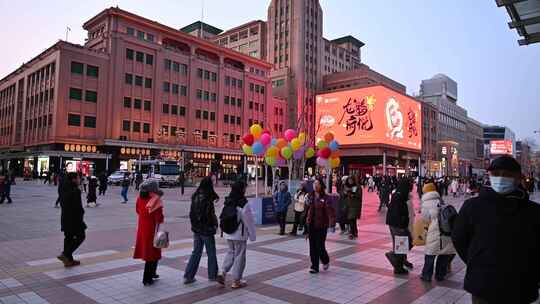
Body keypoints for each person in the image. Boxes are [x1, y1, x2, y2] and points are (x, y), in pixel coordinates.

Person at [452, 156, 540, 304]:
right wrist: (477, 261)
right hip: (483, 285)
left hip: (520, 286)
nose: (500, 178)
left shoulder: (534, 212)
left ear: (518, 179)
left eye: (507, 174)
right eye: (496, 174)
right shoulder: (472, 207)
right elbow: (459, 238)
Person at [216, 181, 256, 289]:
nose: (245, 190)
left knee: (231, 253)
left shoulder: (228, 200)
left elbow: (222, 215)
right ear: (241, 189)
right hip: (239, 234)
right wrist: (252, 236)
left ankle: (222, 272)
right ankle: (236, 281)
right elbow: (249, 221)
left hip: (229, 233)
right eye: (244, 188)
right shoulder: (243, 203)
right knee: (239, 257)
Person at [183, 177, 220, 284]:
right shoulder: (207, 198)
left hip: (196, 229)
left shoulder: (195, 196)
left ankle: (188, 276)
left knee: (196, 252)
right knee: (211, 252)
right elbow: (210, 215)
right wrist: (214, 225)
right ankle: (212, 275)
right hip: (206, 229)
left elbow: (192, 213)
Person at [419, 183, 455, 282]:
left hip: (434, 232)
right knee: (443, 254)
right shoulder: (441, 200)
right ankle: (440, 275)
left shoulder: (425, 204)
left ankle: (426, 275)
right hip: (446, 233)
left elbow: (425, 220)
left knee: (430, 255)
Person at [133, 180, 165, 286]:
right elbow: (159, 218)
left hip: (142, 228)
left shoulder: (140, 197)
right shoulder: (155, 200)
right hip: (152, 229)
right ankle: (147, 278)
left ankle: (152, 273)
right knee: (152, 253)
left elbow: (137, 210)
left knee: (152, 252)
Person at [305, 178, 336, 274]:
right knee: (312, 246)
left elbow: (331, 212)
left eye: (317, 184)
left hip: (322, 225)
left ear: (321, 186)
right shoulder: (310, 196)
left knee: (320, 246)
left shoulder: (326, 197)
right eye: (314, 183)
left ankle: (325, 260)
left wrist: (332, 224)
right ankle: (314, 266)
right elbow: (307, 209)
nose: (315, 185)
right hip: (311, 224)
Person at [57, 172, 86, 267]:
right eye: (78, 178)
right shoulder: (75, 191)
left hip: (65, 217)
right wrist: (81, 215)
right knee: (81, 236)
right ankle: (65, 254)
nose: (79, 180)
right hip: (74, 219)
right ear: (73, 179)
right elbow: (78, 207)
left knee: (68, 238)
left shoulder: (63, 188)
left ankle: (68, 260)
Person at [385, 179, 414, 274]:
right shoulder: (400, 197)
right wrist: (402, 224)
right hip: (399, 225)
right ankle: (396, 262)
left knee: (402, 245)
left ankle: (399, 266)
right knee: (403, 245)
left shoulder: (397, 195)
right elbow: (398, 212)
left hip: (395, 224)